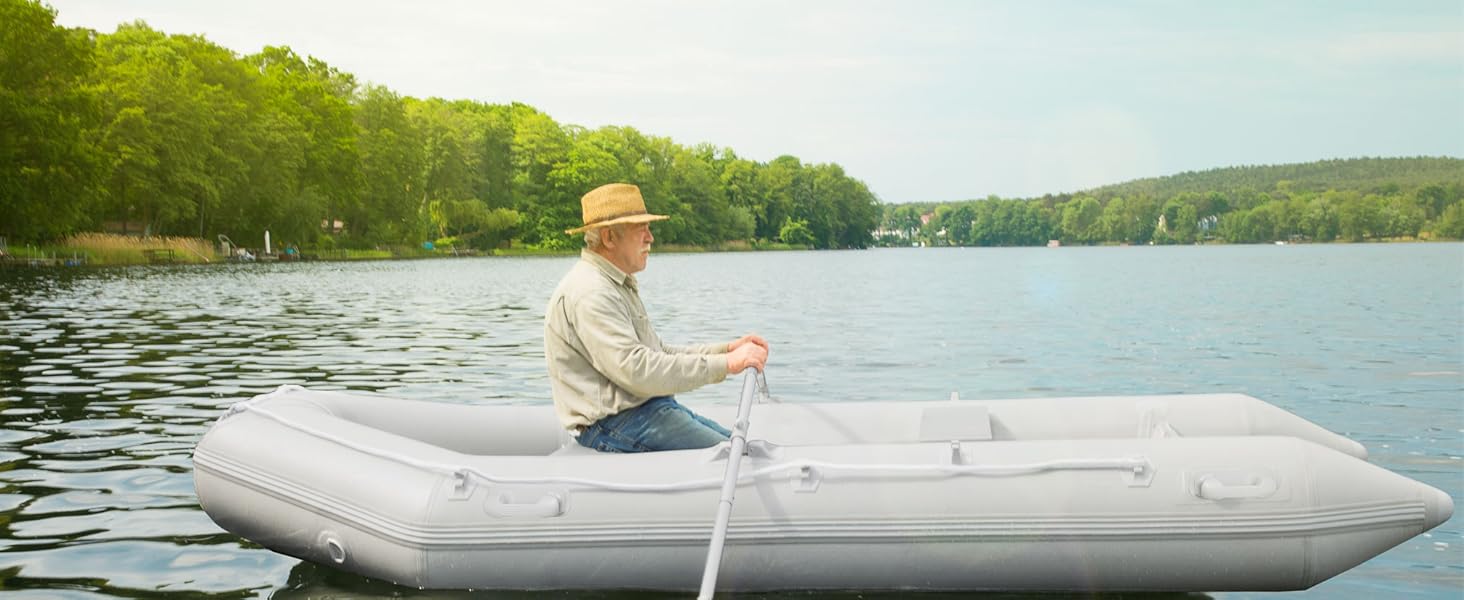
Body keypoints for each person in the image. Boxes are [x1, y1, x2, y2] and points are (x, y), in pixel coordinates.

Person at [544, 182, 769, 453]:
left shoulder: (613, 283)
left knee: (744, 448)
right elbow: (637, 370)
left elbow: (657, 352)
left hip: (645, 413)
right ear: (609, 238)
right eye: (641, 229)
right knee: (741, 454)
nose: (650, 238)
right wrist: (726, 364)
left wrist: (726, 351)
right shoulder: (591, 292)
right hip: (616, 425)